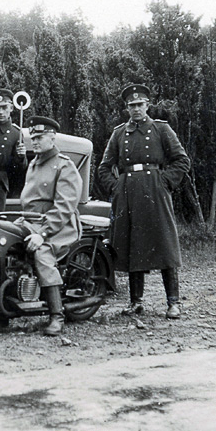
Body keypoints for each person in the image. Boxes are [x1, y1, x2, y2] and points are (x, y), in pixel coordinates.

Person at [97, 84, 191, 319]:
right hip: (128, 193)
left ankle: (173, 302)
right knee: (133, 244)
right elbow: (104, 167)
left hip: (155, 191)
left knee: (165, 245)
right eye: (132, 105)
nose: (136, 109)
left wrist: (164, 182)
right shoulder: (119, 133)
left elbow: (181, 160)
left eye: (140, 104)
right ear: (126, 108)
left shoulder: (161, 129)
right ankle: (136, 302)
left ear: (148, 105)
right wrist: (116, 187)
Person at [15, 116, 83, 336]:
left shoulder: (64, 165)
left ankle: (56, 315)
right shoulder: (34, 164)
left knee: (42, 254)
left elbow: (64, 208)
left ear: (52, 138)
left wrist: (42, 234)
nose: (34, 141)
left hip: (58, 226)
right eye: (32, 137)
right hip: (33, 221)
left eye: (40, 137)